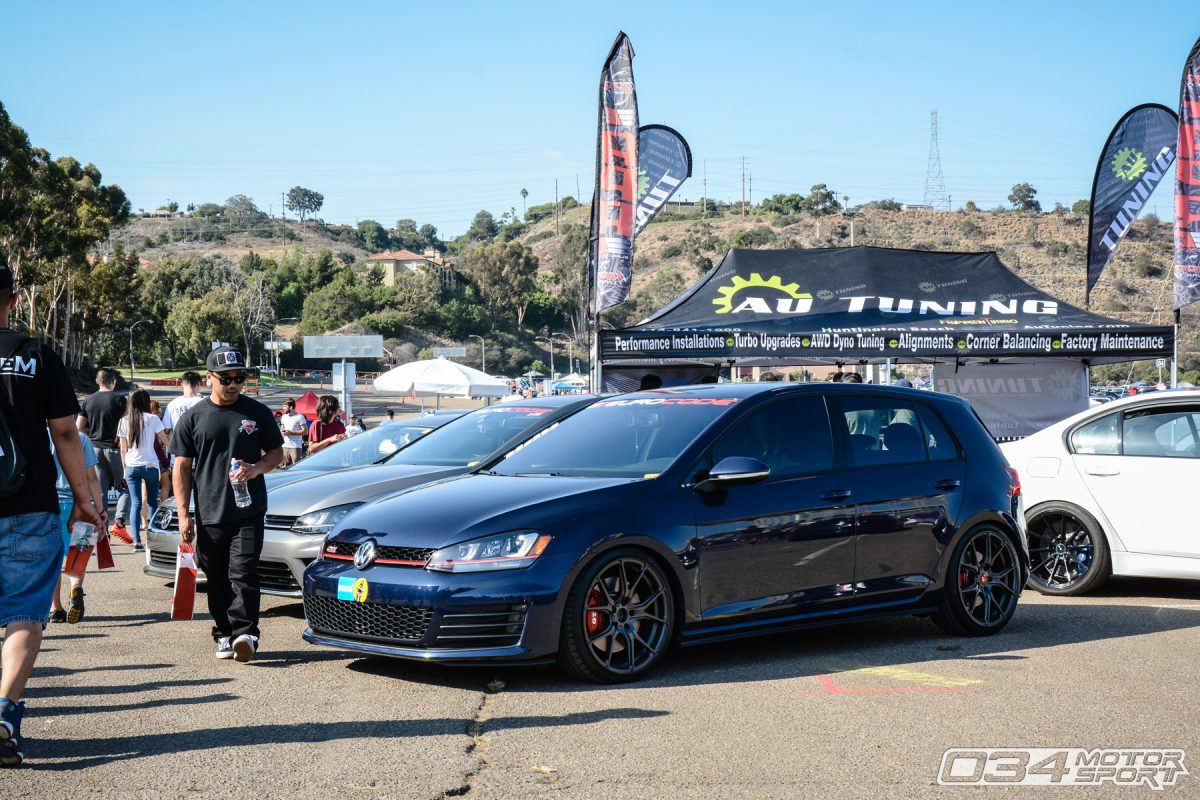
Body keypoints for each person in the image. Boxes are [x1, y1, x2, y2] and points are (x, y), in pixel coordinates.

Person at [1, 256, 102, 767]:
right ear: (13, 300)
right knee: (23, 614)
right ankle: (4, 714)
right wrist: (84, 497)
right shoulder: (36, 354)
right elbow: (66, 432)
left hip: (32, 505)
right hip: (30, 504)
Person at [170, 347, 283, 663]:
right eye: (226, 379)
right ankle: (223, 633)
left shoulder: (257, 413)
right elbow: (180, 468)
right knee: (216, 576)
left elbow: (277, 453)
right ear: (209, 378)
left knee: (244, 570)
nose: (234, 384)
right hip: (209, 511)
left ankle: (246, 634)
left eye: (239, 378)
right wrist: (184, 515)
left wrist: (257, 469)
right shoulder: (194, 417)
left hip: (248, 510)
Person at [48, 430, 106, 624]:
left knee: (53, 558)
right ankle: (75, 587)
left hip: (50, 503)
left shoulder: (40, 435)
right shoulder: (81, 438)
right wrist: (100, 510)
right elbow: (92, 478)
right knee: (78, 552)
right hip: (81, 503)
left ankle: (55, 608)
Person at [77, 367, 129, 534]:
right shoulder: (120, 399)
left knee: (99, 492)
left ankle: (102, 529)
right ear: (113, 382)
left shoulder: (88, 400)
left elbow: (78, 427)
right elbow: (127, 425)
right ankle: (119, 521)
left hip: (94, 449)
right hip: (115, 449)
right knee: (125, 487)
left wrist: (90, 434)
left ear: (97, 381)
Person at [117, 389, 168, 552]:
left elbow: (123, 450)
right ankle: (153, 540)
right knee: (153, 503)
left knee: (136, 504)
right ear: (146, 401)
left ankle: (136, 541)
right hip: (150, 465)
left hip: (131, 465)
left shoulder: (124, 421)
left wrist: (125, 470)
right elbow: (165, 442)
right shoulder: (153, 419)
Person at [149, 399, 171, 502]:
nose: (160, 410)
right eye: (157, 407)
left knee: (145, 490)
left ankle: (144, 517)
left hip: (139, 461)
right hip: (157, 460)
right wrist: (166, 463)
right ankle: (163, 508)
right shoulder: (155, 422)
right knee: (166, 484)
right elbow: (158, 447)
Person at [278, 399, 307, 466]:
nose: (283, 408)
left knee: (295, 468)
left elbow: (305, 431)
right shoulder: (284, 417)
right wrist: (282, 433)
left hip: (295, 447)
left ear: (291, 407)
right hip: (284, 446)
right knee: (284, 469)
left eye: (285, 406)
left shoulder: (300, 417)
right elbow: (282, 429)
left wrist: (291, 433)